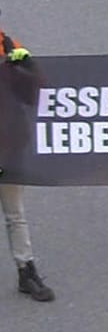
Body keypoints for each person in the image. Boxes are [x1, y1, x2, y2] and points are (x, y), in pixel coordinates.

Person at [0, 23, 54, 301]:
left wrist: (26, 66)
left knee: (15, 214)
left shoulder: (9, 46)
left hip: (9, 145)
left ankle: (26, 269)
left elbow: (37, 94)